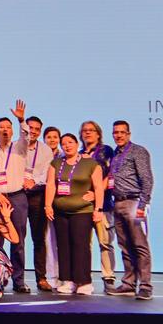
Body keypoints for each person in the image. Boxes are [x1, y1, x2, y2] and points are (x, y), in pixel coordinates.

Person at [44, 133, 104, 295]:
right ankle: (68, 280)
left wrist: (98, 208)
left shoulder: (90, 163)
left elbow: (98, 187)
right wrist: (48, 205)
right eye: (64, 143)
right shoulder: (56, 163)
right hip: (60, 212)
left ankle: (84, 281)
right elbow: (51, 185)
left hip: (82, 211)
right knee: (63, 245)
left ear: (77, 144)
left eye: (70, 142)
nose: (67, 145)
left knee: (81, 245)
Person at [0, 101, 32, 294]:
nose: (5, 130)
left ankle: (19, 280)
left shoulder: (20, 148)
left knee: (18, 240)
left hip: (17, 198)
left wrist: (21, 119)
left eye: (8, 127)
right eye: (1, 128)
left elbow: (26, 135)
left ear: (12, 131)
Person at [105, 121, 154, 300]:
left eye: (122, 132)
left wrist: (143, 205)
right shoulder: (115, 155)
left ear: (129, 134)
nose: (118, 136)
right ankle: (128, 283)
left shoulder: (138, 151)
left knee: (140, 245)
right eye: (115, 133)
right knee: (124, 246)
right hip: (117, 203)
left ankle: (146, 286)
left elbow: (147, 179)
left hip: (134, 202)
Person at [80, 120, 117, 290]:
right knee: (84, 244)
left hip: (104, 206)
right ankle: (84, 278)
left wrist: (96, 194)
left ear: (98, 133)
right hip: (83, 207)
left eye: (91, 130)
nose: (87, 133)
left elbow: (110, 176)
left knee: (105, 242)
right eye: (84, 130)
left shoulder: (106, 151)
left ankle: (108, 277)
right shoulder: (79, 154)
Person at [23, 115, 56, 292]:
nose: (33, 131)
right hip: (19, 195)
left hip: (37, 195)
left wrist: (32, 181)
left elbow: (46, 174)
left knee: (38, 239)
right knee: (17, 240)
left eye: (36, 129)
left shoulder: (46, 150)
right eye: (30, 128)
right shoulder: (16, 146)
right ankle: (17, 279)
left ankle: (41, 278)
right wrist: (22, 180)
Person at [43, 126, 63, 286]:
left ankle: (65, 275)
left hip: (63, 203)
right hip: (46, 203)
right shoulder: (42, 156)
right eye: (49, 137)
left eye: (55, 137)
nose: (52, 140)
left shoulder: (65, 157)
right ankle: (52, 276)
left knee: (62, 241)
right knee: (48, 240)